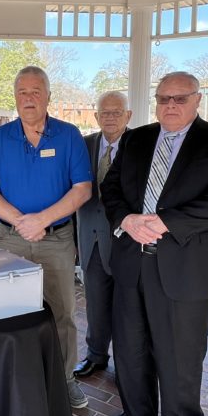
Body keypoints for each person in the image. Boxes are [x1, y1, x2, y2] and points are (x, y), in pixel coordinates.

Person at [100, 72, 208, 416]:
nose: (170, 106)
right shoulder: (136, 138)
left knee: (181, 355)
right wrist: (126, 219)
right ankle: (138, 414)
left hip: (184, 267)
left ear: (198, 100)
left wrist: (165, 222)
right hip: (132, 261)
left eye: (180, 99)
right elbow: (111, 187)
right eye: (163, 98)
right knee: (130, 348)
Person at [0, 65, 92, 409]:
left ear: (48, 97)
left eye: (36, 91)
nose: (29, 98)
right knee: (7, 310)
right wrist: (20, 222)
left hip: (56, 239)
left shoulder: (69, 135)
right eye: (22, 92)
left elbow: (82, 189)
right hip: (11, 238)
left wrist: (42, 220)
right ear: (15, 98)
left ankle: (65, 378)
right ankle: (11, 375)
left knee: (62, 312)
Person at [73, 90, 131, 379]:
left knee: (126, 308)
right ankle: (96, 356)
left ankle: (126, 364)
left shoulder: (139, 145)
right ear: (96, 116)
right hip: (90, 237)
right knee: (94, 303)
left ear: (128, 115)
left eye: (116, 112)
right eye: (104, 113)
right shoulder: (83, 145)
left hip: (125, 242)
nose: (109, 117)